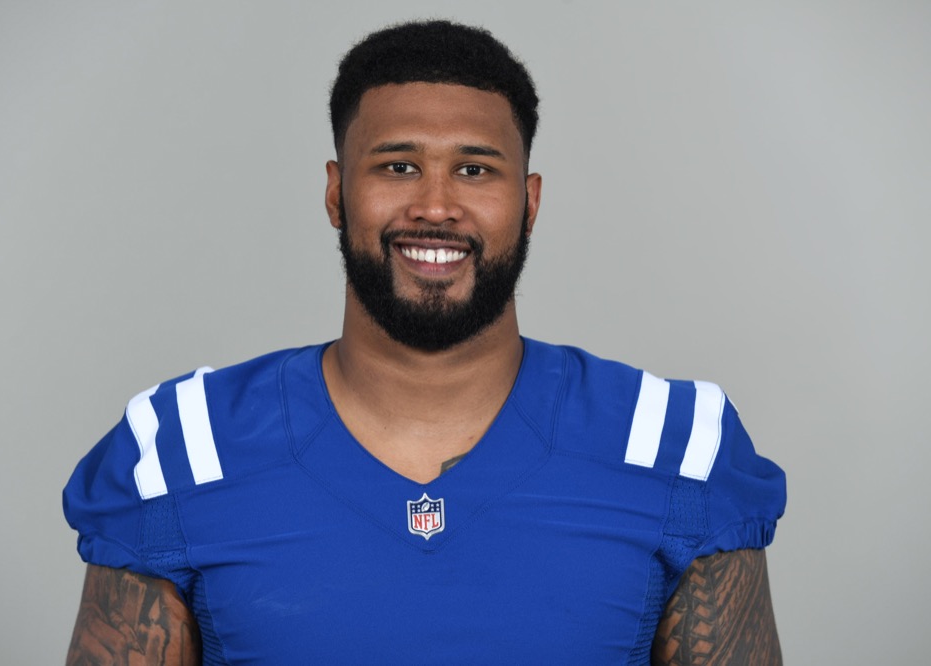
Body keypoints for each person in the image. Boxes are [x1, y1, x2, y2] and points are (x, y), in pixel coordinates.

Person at [64, 19, 785, 665]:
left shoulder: (674, 446)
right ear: (336, 192)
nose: (435, 206)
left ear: (529, 201)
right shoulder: (183, 447)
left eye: (475, 170)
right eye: (397, 166)